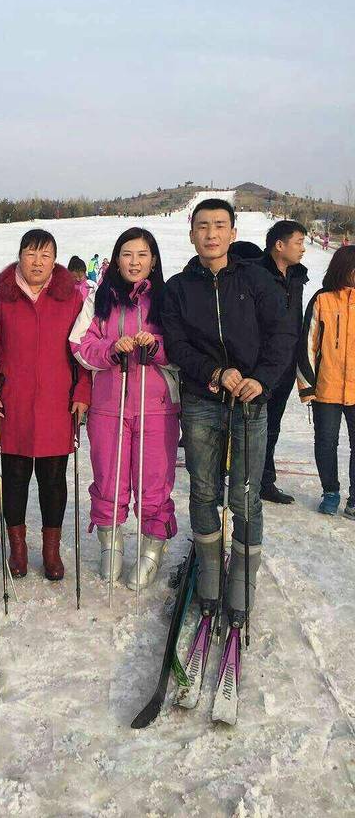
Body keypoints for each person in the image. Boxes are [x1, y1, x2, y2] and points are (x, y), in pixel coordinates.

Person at [162, 198, 295, 625]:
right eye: (203, 226)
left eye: (220, 225)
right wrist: (215, 370)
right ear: (192, 234)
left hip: (249, 402)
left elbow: (282, 332)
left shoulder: (256, 280)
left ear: (233, 233)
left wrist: (263, 380)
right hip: (203, 400)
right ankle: (209, 576)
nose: (211, 233)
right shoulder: (180, 288)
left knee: (245, 496)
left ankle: (241, 580)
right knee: (203, 491)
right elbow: (177, 344)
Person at [0, 229, 91, 581]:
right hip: (14, 405)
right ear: (19, 256)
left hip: (58, 405)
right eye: (30, 253)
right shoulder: (1, 299)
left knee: (53, 481)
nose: (37, 262)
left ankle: (51, 552)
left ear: (55, 259)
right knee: (15, 479)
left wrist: (82, 392)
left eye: (45, 255)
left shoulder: (70, 300)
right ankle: (19, 549)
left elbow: (82, 353)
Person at [70, 228, 180, 588]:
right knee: (109, 478)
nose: (134, 262)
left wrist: (156, 345)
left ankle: (152, 550)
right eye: (127, 254)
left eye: (142, 255)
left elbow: (182, 349)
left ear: (153, 260)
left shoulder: (166, 299)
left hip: (156, 405)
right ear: (116, 258)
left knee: (153, 481)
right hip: (108, 404)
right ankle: (111, 544)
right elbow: (79, 343)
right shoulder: (99, 298)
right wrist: (111, 350)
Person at [298, 245, 355, 518]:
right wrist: (307, 386)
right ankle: (330, 491)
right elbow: (307, 344)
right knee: (325, 442)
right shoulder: (323, 299)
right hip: (327, 388)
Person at [258, 220, 308, 503]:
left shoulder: (298, 276)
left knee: (273, 424)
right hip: (258, 364)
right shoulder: (254, 273)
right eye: (299, 242)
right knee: (246, 425)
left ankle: (265, 481)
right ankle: (229, 478)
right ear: (280, 245)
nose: (302, 248)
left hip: (286, 364)